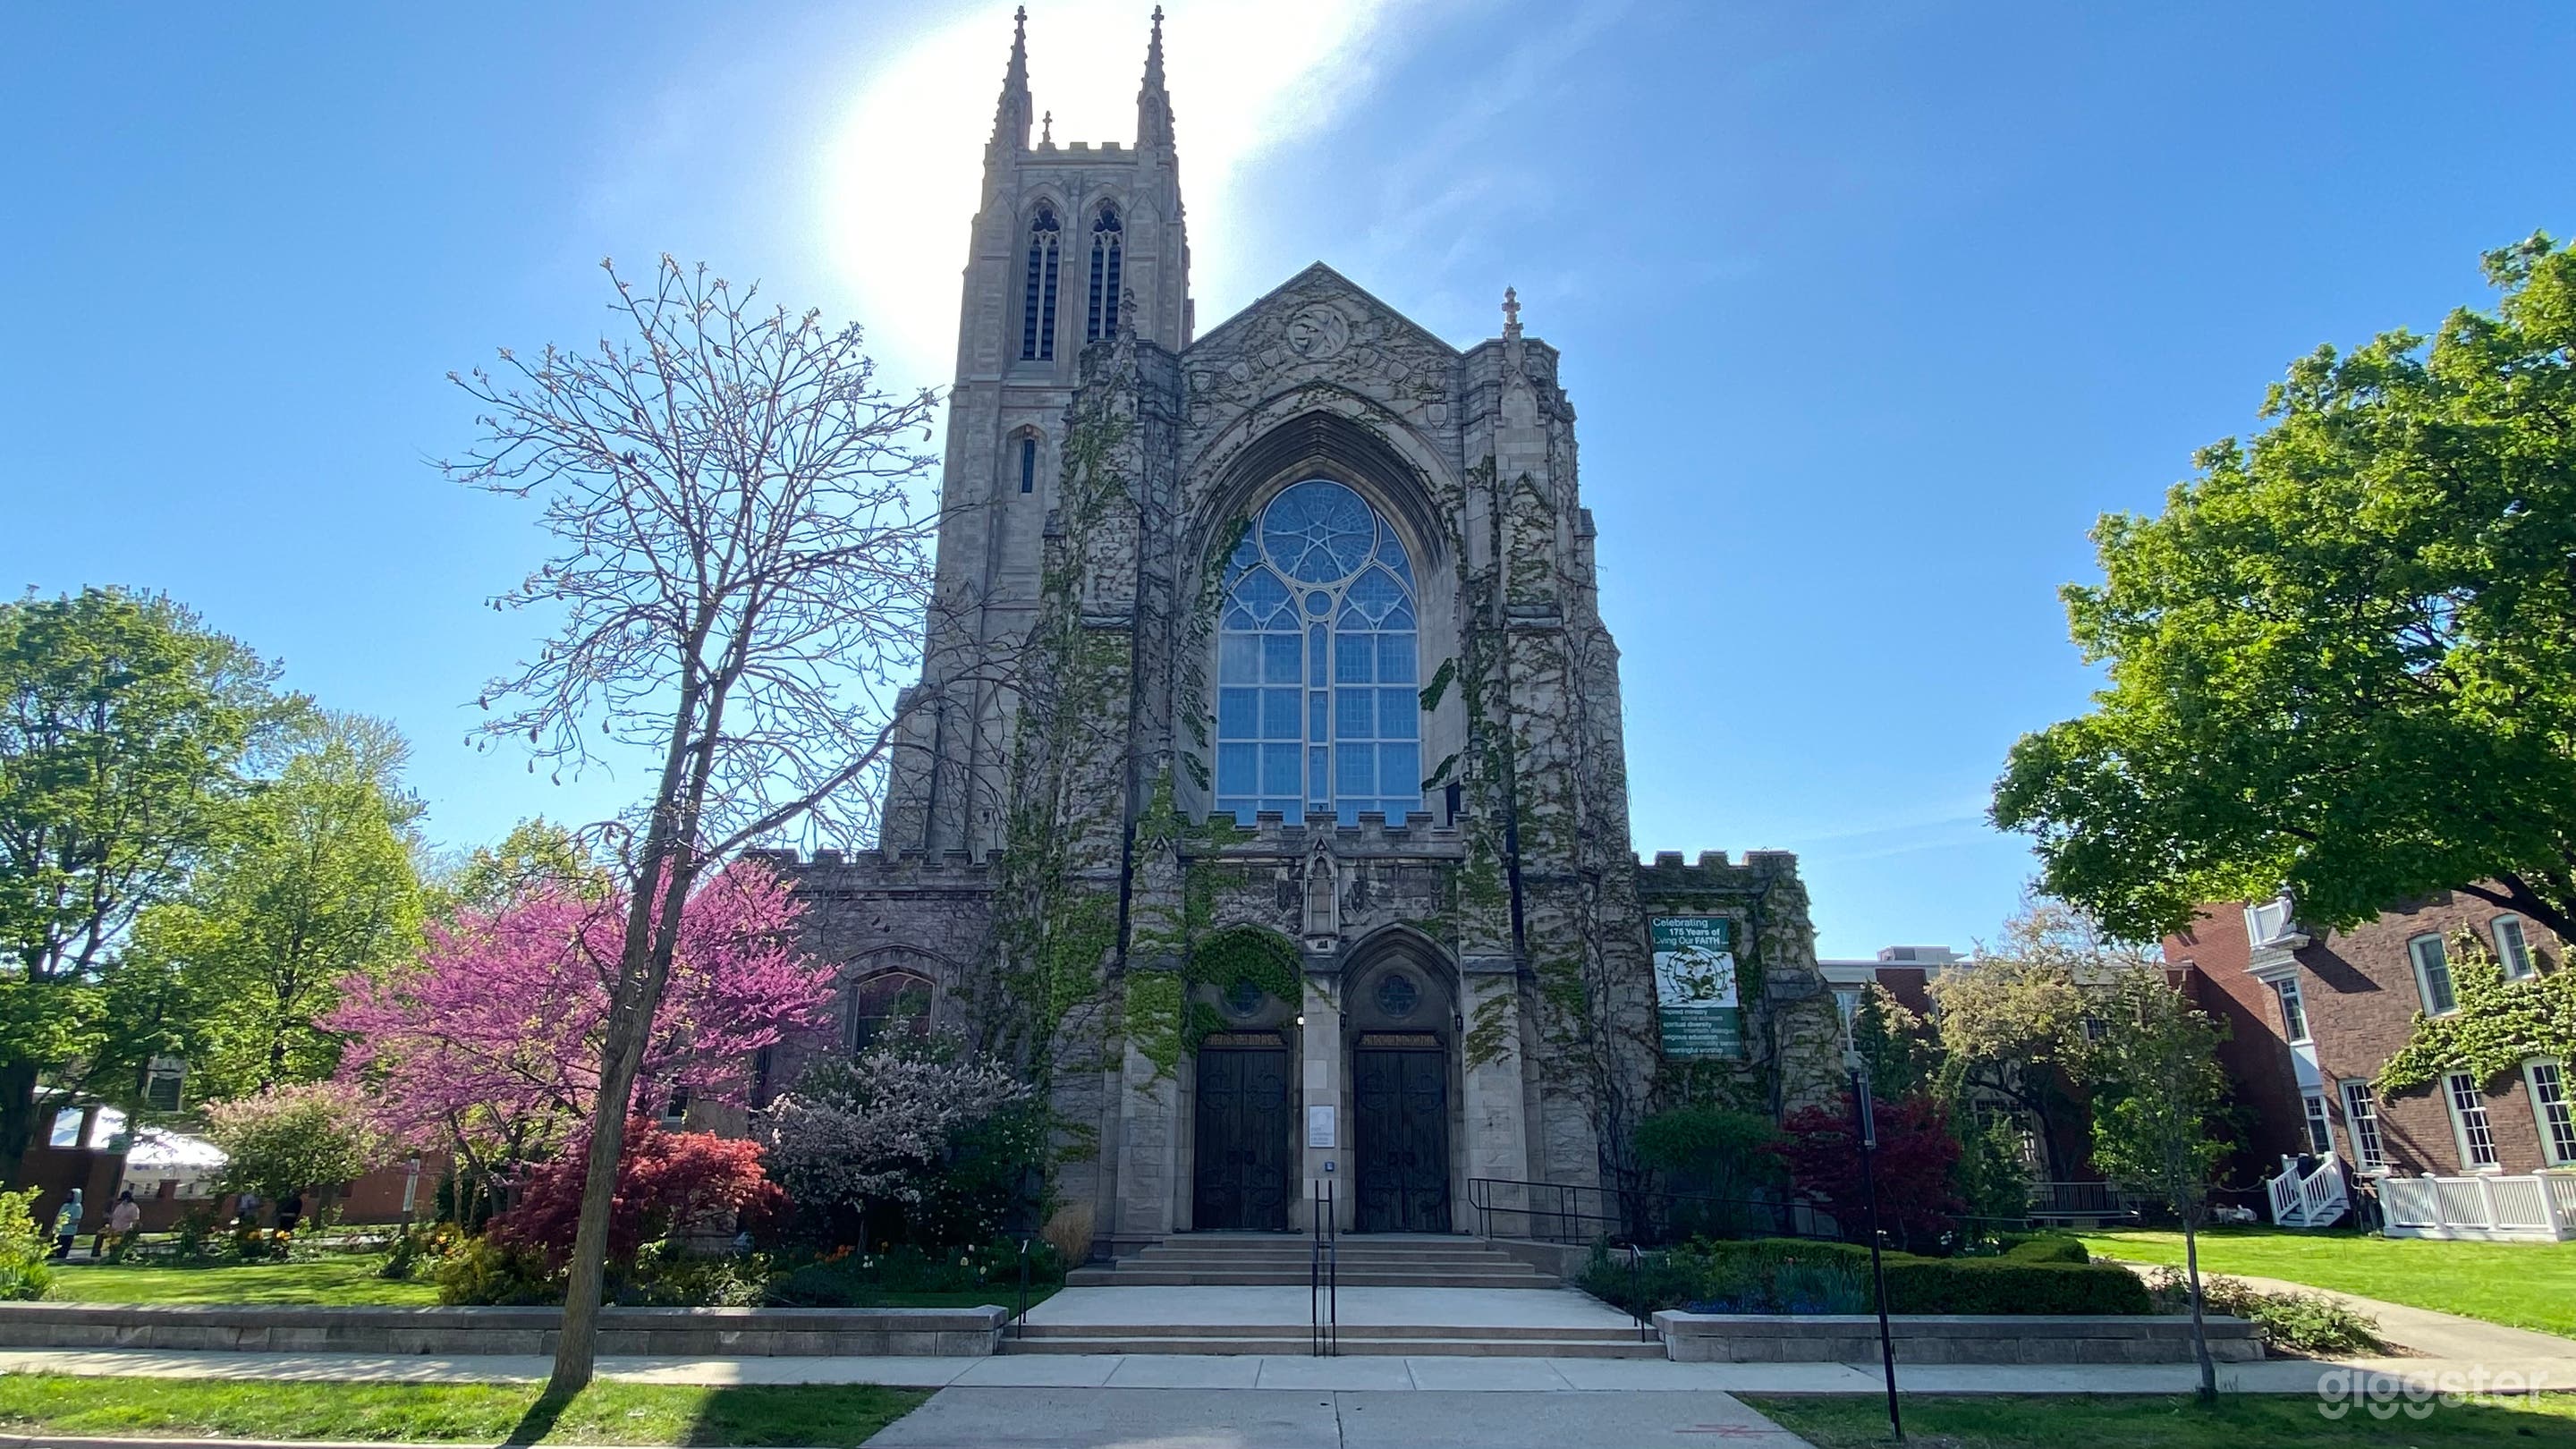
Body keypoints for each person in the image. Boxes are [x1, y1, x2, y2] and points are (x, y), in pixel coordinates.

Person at [97, 1190, 141, 1257]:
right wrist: (108, 1216)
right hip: (114, 1229)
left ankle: (117, 1257)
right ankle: (111, 1256)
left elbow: (135, 1220)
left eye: (124, 1199)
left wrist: (132, 1231)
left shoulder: (134, 1208)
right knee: (112, 1246)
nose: (123, 1201)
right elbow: (116, 1216)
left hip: (124, 1229)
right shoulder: (120, 1206)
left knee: (119, 1247)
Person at [48, 1189, 82, 1259]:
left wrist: (65, 1221)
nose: (69, 1196)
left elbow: (76, 1220)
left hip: (68, 1233)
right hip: (58, 1231)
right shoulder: (65, 1206)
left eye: (71, 1195)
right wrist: (53, 1228)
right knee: (51, 1251)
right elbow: (58, 1217)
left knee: (62, 1253)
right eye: (69, 1194)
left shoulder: (78, 1207)